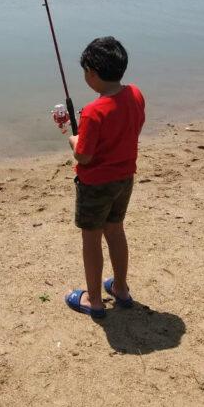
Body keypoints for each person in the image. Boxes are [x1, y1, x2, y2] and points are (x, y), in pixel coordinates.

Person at [63, 36, 145, 320]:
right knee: (115, 230)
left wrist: (73, 139)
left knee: (91, 238)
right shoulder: (135, 94)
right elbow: (134, 126)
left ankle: (94, 300)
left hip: (95, 184)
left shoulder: (93, 112)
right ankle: (120, 289)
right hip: (124, 179)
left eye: (85, 71)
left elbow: (83, 156)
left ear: (92, 74)